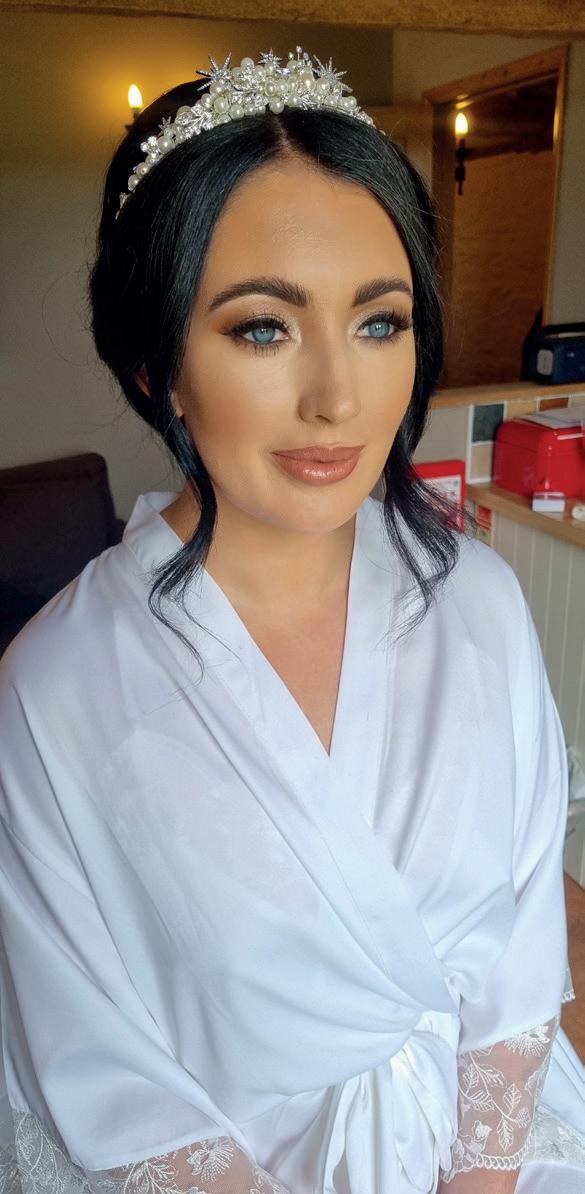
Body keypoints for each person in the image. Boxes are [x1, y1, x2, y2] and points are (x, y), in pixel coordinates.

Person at [0, 44, 583, 1194]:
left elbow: (522, 938)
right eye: (263, 328)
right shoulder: (56, 692)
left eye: (380, 323)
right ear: (155, 363)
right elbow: (96, 1063)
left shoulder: (478, 606)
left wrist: (482, 1176)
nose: (338, 397)